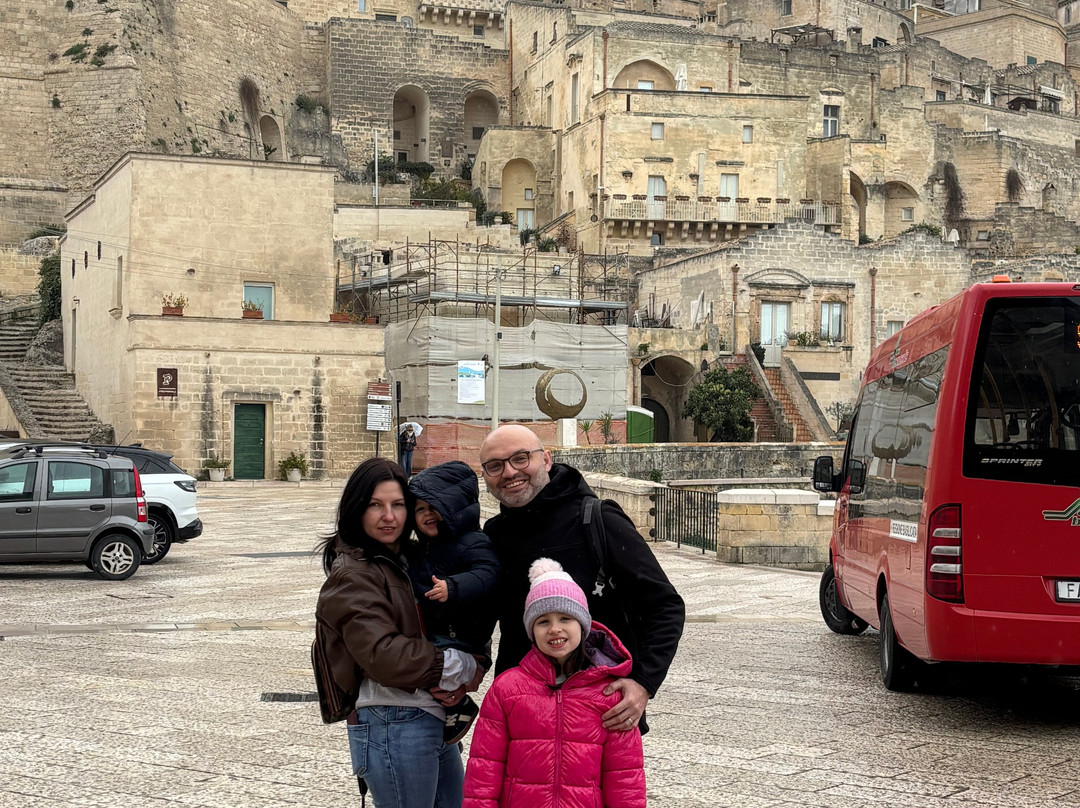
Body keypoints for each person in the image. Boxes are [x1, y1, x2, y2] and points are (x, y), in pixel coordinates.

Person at [479, 423, 685, 735]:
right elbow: (478, 617)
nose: (509, 472)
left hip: (601, 711)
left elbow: (665, 606)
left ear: (546, 460)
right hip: (523, 712)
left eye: (521, 458)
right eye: (495, 466)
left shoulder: (597, 519)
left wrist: (643, 682)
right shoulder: (494, 535)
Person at [312, 458, 484, 808]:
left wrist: (474, 662)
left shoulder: (410, 558)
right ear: (356, 509)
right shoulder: (353, 574)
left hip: (427, 714)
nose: (388, 516)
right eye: (375, 505)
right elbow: (385, 656)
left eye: (398, 504)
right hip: (392, 720)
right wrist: (458, 667)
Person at [462, 557, 646, 808]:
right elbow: (484, 770)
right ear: (531, 630)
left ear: (583, 626)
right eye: (543, 621)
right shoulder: (507, 690)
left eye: (565, 619)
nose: (555, 629)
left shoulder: (610, 694)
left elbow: (625, 778)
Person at [407, 460, 500, 744]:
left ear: (455, 507)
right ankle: (449, 710)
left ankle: (459, 708)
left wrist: (454, 586)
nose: (427, 515)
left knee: (437, 673)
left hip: (462, 636)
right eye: (420, 509)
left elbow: (488, 573)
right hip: (438, 632)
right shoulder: (422, 547)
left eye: (435, 507)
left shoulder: (474, 541)